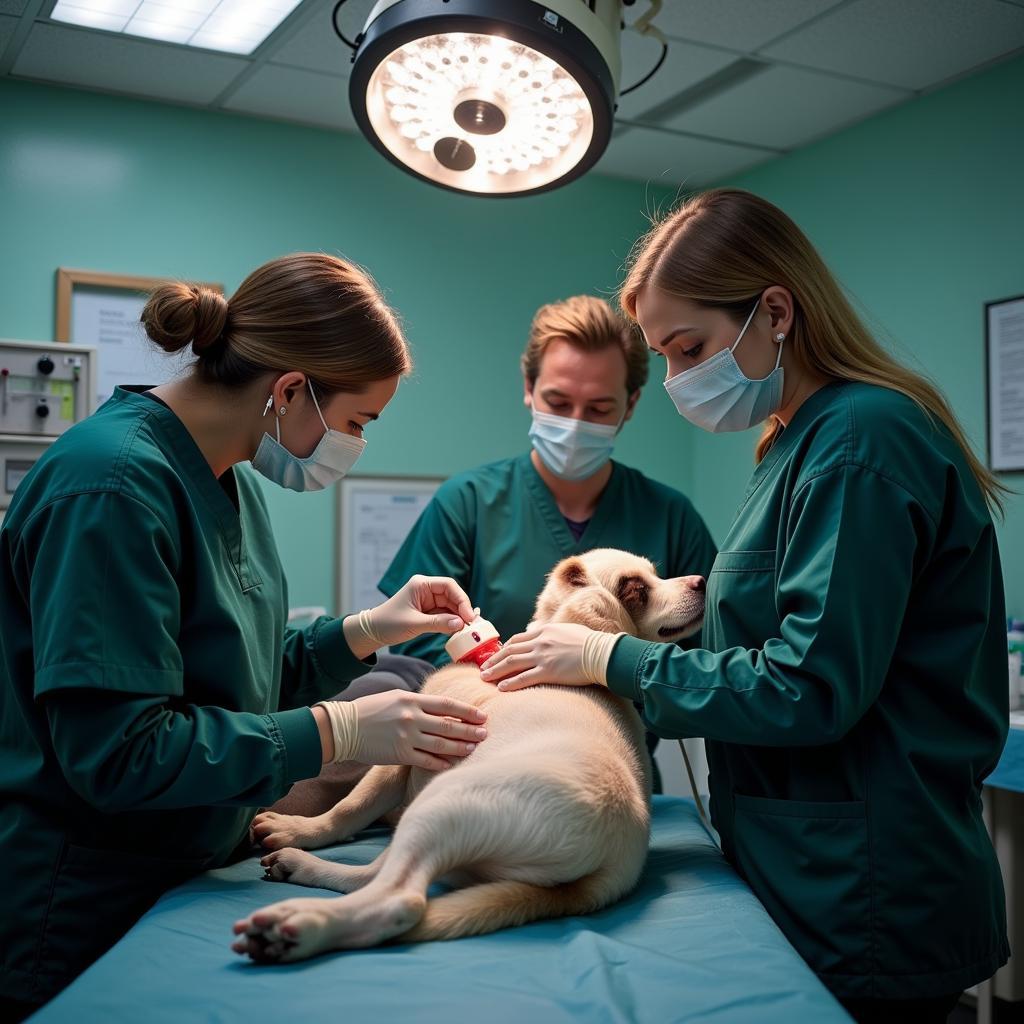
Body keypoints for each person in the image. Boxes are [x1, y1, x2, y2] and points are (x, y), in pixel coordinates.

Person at [479, 190, 1010, 1024]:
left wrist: (609, 659)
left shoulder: (861, 438)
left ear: (774, 310)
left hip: (865, 883)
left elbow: (810, 687)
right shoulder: (794, 441)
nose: (684, 378)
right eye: (667, 355)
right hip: (805, 856)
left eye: (689, 348)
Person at [0, 253, 488, 1020]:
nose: (358, 442)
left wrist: (368, 629)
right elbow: (122, 754)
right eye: (357, 421)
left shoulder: (227, 475)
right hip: (83, 899)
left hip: (185, 868)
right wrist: (342, 728)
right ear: (290, 390)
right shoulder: (112, 488)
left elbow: (240, 676)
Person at [378, 295, 717, 787]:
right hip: (477, 761)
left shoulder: (670, 516)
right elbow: (414, 647)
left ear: (631, 405)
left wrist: (607, 676)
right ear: (529, 389)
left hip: (605, 771)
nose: (576, 423)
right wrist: (510, 697)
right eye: (558, 403)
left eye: (599, 408)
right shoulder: (468, 503)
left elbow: (707, 672)